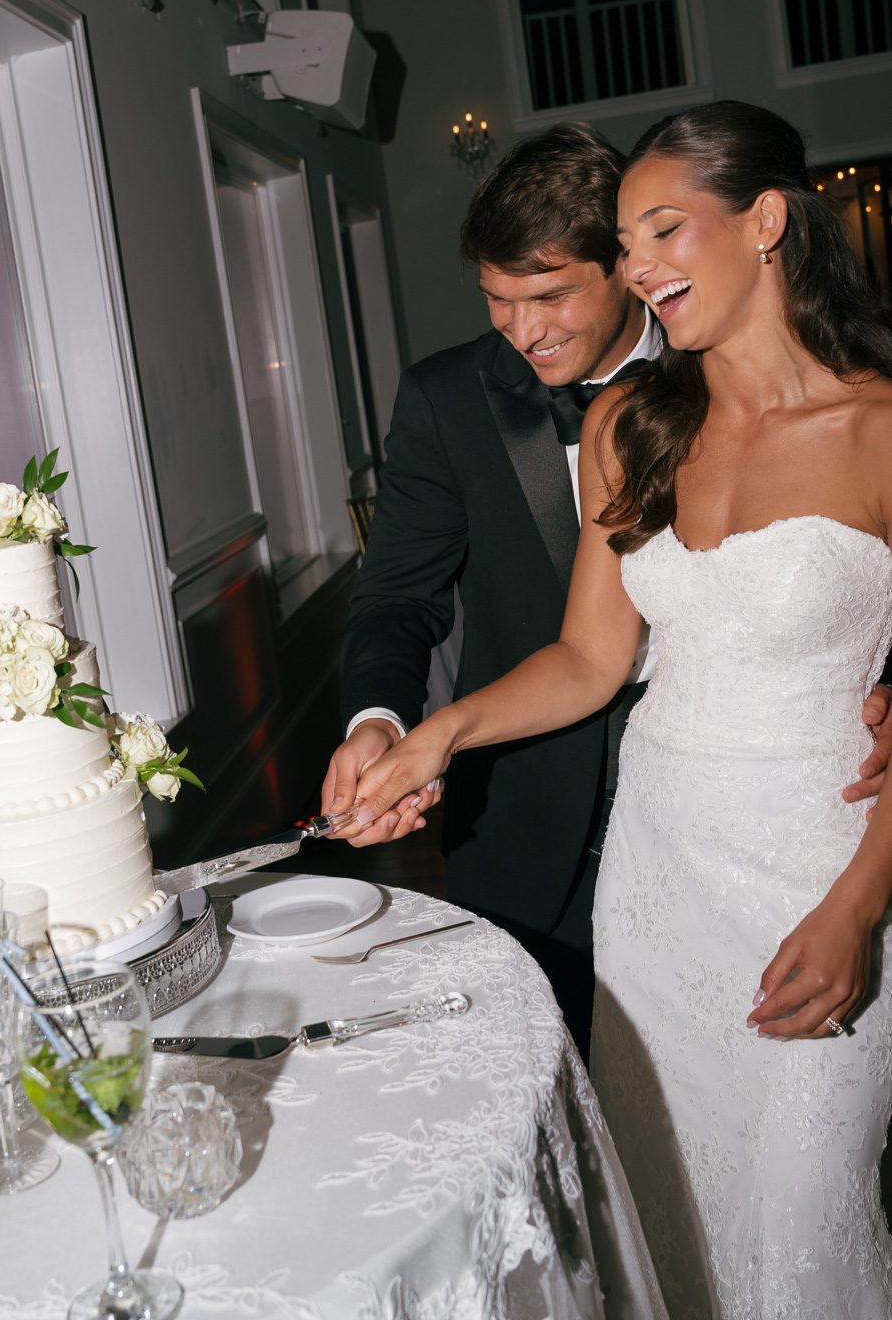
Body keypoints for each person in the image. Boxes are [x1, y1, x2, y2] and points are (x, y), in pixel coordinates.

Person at [346, 100, 892, 1316]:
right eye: (629, 236)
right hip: (655, 884)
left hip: (815, 868)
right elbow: (589, 661)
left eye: (658, 230)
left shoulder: (880, 427)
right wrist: (428, 730)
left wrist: (858, 907)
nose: (641, 265)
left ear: (762, 222)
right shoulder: (628, 426)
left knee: (805, 1222)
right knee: (665, 1212)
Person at [323, 122, 659, 1055]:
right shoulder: (444, 396)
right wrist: (380, 722)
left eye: (549, 295)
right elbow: (397, 595)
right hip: (520, 811)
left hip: (709, 802)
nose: (522, 332)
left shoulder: (722, 373)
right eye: (497, 301)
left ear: (624, 267)